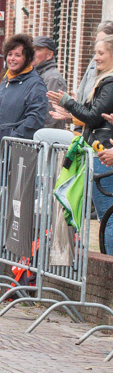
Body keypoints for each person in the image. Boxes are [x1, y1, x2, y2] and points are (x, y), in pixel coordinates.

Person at [48, 33, 113, 252]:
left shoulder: (110, 83)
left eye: (101, 53)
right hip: (100, 152)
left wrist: (67, 102)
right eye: (95, 53)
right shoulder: (104, 81)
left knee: (108, 218)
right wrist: (71, 113)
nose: (96, 58)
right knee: (106, 217)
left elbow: (93, 117)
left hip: (104, 154)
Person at [0, 33, 48, 142]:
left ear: (27, 58)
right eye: (10, 54)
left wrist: (12, 139)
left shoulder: (36, 85)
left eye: (18, 55)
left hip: (17, 147)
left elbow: (35, 119)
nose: (12, 59)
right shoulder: (6, 80)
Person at [32, 37, 68, 129]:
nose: (32, 53)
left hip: (46, 134)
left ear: (49, 55)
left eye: (38, 50)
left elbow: (50, 115)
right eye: (32, 49)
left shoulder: (53, 78)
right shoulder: (36, 74)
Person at [75, 20, 113, 103]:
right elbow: (82, 92)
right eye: (97, 42)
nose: (96, 57)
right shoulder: (94, 62)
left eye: (103, 41)